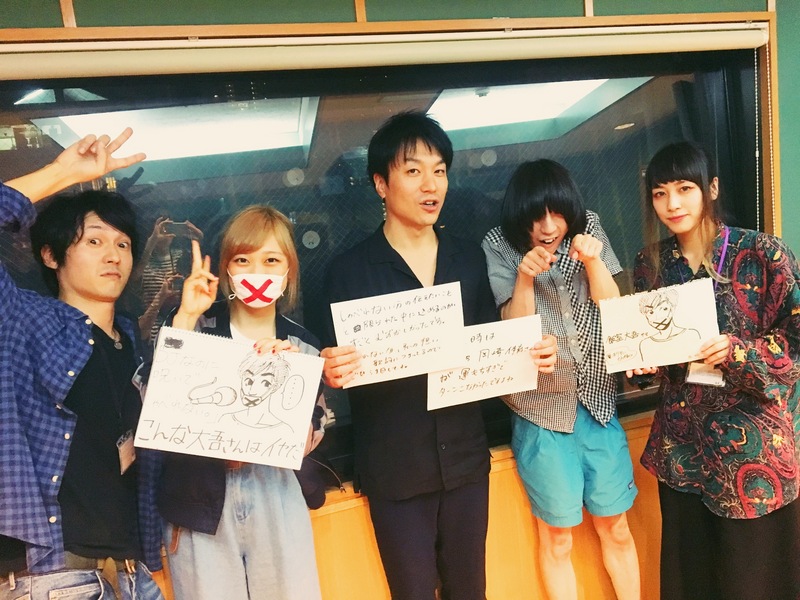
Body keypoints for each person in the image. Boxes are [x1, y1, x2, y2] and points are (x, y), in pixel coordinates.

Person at [320, 111, 557, 600]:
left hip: (465, 460)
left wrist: (529, 350)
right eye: (413, 171)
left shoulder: (467, 256)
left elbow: (492, 343)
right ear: (380, 184)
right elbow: (328, 367)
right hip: (395, 469)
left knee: (471, 591)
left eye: (440, 170)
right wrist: (329, 370)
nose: (431, 185)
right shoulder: (347, 271)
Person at [629, 141, 800, 600]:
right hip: (683, 447)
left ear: (713, 188)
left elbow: (796, 342)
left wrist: (737, 352)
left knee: (753, 579)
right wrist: (644, 364)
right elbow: (658, 353)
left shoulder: (762, 253)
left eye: (685, 188)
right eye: (660, 193)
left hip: (753, 452)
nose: (672, 203)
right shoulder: (649, 265)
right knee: (693, 577)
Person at [0, 129, 166, 600]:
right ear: (51, 255)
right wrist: (61, 173)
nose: (113, 255)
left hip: (131, 573)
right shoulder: (23, 320)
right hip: (53, 575)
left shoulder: (129, 341)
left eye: (123, 244)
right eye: (94, 241)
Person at [482, 159, 640, 600]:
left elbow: (614, 307)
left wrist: (593, 260)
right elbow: (514, 326)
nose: (549, 226)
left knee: (616, 527)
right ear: (520, 217)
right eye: (537, 216)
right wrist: (524, 275)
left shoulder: (588, 227)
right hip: (541, 413)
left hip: (598, 404)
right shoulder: (499, 244)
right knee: (557, 539)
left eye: (557, 214)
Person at [152, 205, 325, 600]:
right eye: (243, 260)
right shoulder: (193, 325)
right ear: (227, 269)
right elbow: (155, 404)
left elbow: (306, 440)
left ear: (289, 270)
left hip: (275, 492)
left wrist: (289, 383)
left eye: (271, 260)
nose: (257, 271)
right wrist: (185, 318)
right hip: (198, 500)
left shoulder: (302, 345)